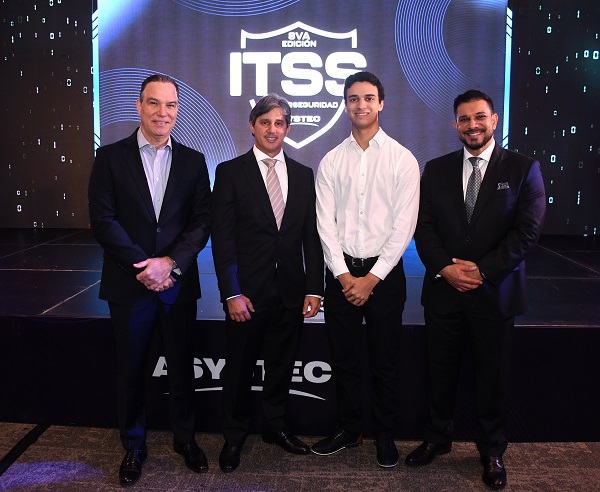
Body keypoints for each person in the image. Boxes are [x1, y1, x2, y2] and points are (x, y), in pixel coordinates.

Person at [405, 89, 546, 490]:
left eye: (479, 117)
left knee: (492, 378)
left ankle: (492, 450)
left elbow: (527, 232)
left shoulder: (523, 168)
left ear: (494, 120)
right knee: (439, 372)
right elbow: (423, 227)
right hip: (444, 292)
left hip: (495, 293)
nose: (473, 125)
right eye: (464, 119)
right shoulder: (436, 169)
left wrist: (482, 270)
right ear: (455, 124)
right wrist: (446, 268)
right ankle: (437, 438)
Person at [88, 74, 212, 486]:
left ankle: (185, 440)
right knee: (131, 369)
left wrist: (171, 264)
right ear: (139, 106)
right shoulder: (109, 158)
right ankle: (133, 445)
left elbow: (202, 221)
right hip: (130, 284)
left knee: (182, 368)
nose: (163, 113)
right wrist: (145, 266)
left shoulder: (194, 161)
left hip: (177, 285)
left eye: (170, 105)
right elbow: (103, 221)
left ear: (178, 110)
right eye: (154, 103)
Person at [211, 93, 324, 473]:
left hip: (291, 292)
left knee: (281, 365)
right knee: (239, 368)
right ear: (252, 126)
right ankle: (233, 436)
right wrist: (231, 292)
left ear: (287, 128)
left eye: (279, 123)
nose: (272, 130)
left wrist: (314, 288)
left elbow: (310, 238)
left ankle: (275, 427)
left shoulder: (304, 175)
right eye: (265, 122)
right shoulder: (230, 172)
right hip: (246, 294)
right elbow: (223, 238)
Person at [313, 71, 420, 468]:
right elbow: (325, 225)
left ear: (381, 103)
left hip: (384, 277)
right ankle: (349, 429)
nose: (361, 105)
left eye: (369, 98)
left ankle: (385, 434)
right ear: (345, 105)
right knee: (343, 360)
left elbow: (404, 227)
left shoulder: (402, 159)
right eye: (354, 98)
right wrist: (344, 276)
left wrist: (372, 279)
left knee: (385, 362)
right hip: (341, 274)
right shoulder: (331, 160)